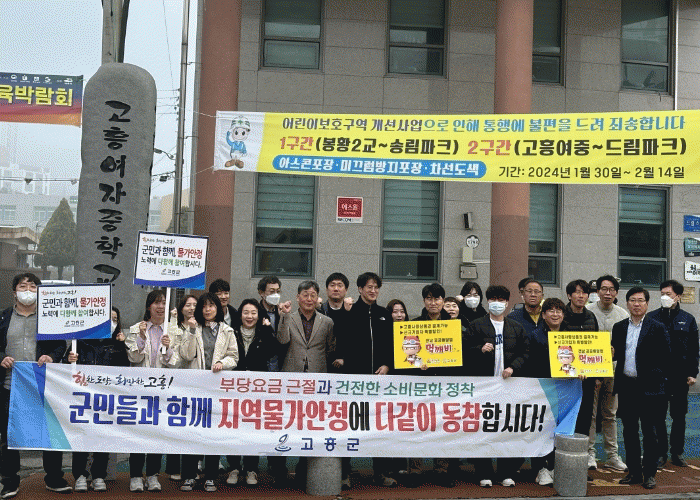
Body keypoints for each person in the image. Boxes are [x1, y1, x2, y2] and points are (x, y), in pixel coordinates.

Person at [0, 273, 69, 498]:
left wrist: (51, 356)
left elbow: (60, 346)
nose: (28, 290)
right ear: (14, 292)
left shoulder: (48, 317)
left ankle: (54, 478)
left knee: (49, 432)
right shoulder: (4, 317)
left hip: (42, 384)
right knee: (8, 436)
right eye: (23, 286)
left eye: (32, 286)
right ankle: (9, 481)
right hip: (11, 385)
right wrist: (2, 357)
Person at [468, 285, 528, 488]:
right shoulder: (476, 325)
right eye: (493, 299)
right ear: (487, 301)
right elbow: (464, 349)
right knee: (483, 430)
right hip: (483, 388)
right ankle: (484, 472)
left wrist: (513, 367)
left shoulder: (516, 327)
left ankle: (506, 473)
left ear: (507, 303)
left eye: (501, 299)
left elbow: (525, 352)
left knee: (506, 430)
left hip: (508, 388)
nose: (497, 303)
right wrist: (479, 349)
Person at [179, 293, 239, 492]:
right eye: (204, 306)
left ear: (217, 308)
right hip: (195, 388)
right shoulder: (193, 328)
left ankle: (211, 476)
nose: (207, 309)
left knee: (213, 433)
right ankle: (189, 476)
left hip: (216, 388)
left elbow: (234, 356)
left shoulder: (227, 330)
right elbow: (186, 355)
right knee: (192, 431)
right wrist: (191, 330)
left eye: (211, 305)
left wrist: (222, 363)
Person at [65, 307, 130, 493]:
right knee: (82, 434)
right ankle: (80, 475)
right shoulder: (80, 342)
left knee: (102, 434)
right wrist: (69, 359)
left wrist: (121, 346)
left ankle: (99, 475)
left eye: (115, 319)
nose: (111, 323)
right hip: (83, 396)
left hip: (106, 396)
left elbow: (125, 369)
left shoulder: (116, 344)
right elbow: (65, 368)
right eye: (108, 318)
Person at [277, 281, 335, 487]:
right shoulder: (289, 317)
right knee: (286, 422)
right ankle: (280, 470)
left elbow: (330, 348)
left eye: (312, 295)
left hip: (317, 378)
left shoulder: (327, 322)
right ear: (298, 297)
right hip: (291, 377)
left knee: (310, 424)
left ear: (317, 297)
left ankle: (304, 469)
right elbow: (282, 340)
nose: (309, 299)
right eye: (305, 295)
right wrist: (284, 316)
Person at [612, 287, 671, 490]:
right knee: (629, 432)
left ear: (647, 303)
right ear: (627, 303)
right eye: (632, 300)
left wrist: (661, 383)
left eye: (640, 300)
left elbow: (667, 357)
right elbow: (614, 353)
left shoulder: (657, 327)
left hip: (650, 389)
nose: (636, 304)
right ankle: (634, 472)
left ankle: (650, 474)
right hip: (627, 386)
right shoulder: (619, 327)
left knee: (649, 433)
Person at [125, 289, 179, 492]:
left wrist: (168, 348)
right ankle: (135, 475)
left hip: (163, 391)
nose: (160, 306)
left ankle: (153, 474)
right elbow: (134, 358)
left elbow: (176, 362)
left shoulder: (173, 331)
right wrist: (141, 337)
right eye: (156, 303)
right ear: (149, 306)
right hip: (140, 390)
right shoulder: (135, 328)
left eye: (164, 302)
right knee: (138, 432)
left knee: (157, 432)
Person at [344, 273, 394, 487]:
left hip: (380, 381)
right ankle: (345, 473)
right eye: (369, 287)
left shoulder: (384, 314)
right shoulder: (350, 312)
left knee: (379, 426)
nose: (373, 291)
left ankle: (380, 472)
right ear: (360, 289)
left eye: (376, 287)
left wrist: (388, 365)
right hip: (355, 381)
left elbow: (392, 344)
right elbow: (342, 343)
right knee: (349, 425)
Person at [226, 298, 283, 487]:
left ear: (259, 315)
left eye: (253, 313)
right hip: (234, 389)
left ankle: (251, 469)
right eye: (245, 312)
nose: (249, 316)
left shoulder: (263, 333)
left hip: (256, 390)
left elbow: (273, 351)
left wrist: (267, 330)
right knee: (234, 428)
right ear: (240, 314)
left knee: (252, 428)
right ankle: (234, 467)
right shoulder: (231, 332)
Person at [407, 283, 459, 488]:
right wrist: (418, 364)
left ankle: (442, 470)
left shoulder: (454, 325)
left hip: (445, 385)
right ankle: (415, 470)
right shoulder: (414, 325)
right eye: (429, 298)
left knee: (444, 426)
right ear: (424, 301)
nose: (433, 302)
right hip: (420, 384)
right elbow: (407, 355)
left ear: (443, 301)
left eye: (437, 298)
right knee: (417, 426)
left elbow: (460, 356)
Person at [647, 279, 699, 468]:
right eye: (662, 294)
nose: (664, 297)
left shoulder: (688, 319)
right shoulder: (651, 317)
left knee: (679, 416)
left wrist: (693, 373)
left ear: (678, 296)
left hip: (680, 377)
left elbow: (694, 349)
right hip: (658, 376)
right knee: (658, 417)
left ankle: (677, 453)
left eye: (668, 294)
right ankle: (661, 453)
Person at [585, 275, 628, 472]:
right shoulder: (588, 312)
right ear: (597, 291)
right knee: (591, 414)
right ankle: (590, 453)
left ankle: (612, 455)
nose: (607, 293)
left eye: (611, 289)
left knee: (610, 414)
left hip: (613, 370)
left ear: (616, 292)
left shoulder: (623, 314)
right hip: (591, 371)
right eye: (604, 289)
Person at [527, 297, 567, 486]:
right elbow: (531, 363)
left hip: (566, 390)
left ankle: (555, 467)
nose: (555, 314)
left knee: (561, 429)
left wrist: (582, 372)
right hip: (542, 389)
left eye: (559, 310)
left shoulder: (571, 336)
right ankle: (540, 469)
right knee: (542, 429)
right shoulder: (535, 336)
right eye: (551, 310)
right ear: (543, 315)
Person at [165, 294, 197, 482]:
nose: (191, 308)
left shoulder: (200, 326)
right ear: (181, 307)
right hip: (176, 380)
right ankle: (173, 466)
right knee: (175, 424)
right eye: (188, 305)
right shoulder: (174, 326)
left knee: (193, 425)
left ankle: (194, 465)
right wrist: (172, 319)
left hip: (195, 382)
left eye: (194, 305)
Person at [563, 280, 600, 445]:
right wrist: (571, 370)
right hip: (565, 377)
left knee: (585, 415)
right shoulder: (560, 315)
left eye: (584, 292)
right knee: (565, 415)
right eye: (577, 292)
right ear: (569, 295)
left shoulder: (591, 316)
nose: (581, 296)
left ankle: (580, 453)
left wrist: (597, 375)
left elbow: (595, 347)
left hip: (587, 377)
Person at [319, 272, 352, 373]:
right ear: (326, 289)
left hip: (348, 368)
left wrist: (345, 358)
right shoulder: (319, 311)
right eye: (332, 285)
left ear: (346, 290)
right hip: (322, 366)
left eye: (340, 285)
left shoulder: (353, 312)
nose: (336, 289)